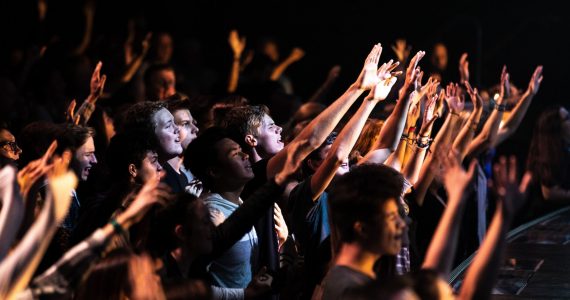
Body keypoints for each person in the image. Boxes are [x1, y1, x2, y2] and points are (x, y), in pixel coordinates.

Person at [316, 164, 406, 300]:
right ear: (362, 228)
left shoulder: (352, 279)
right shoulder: (351, 290)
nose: (402, 224)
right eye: (392, 217)